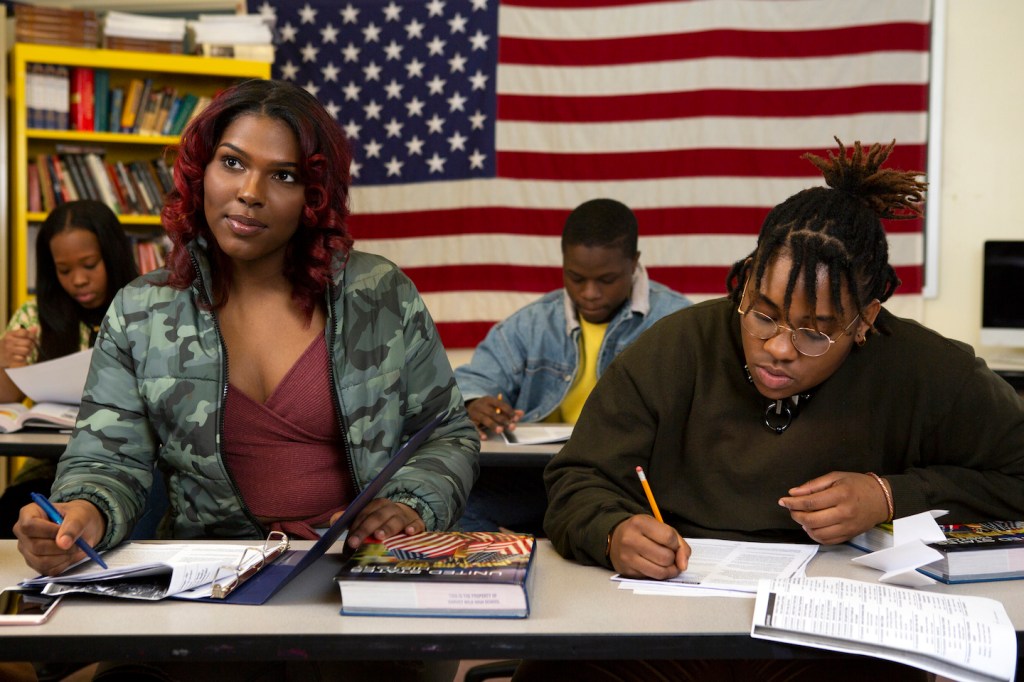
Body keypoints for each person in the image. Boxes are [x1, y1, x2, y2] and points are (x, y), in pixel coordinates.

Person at [14, 79, 477, 682]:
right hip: (207, 593)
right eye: (232, 163)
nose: (250, 193)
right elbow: (108, 459)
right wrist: (83, 512)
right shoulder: (141, 311)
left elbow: (447, 434)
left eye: (282, 176)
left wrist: (408, 506)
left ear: (313, 195)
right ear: (200, 171)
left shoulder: (377, 294)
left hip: (352, 589)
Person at [519, 139, 1024, 680]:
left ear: (865, 320)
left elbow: (1014, 475)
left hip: (835, 633)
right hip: (668, 618)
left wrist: (890, 495)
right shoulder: (675, 347)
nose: (780, 347)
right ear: (745, 281)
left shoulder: (928, 370)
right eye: (762, 314)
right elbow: (576, 479)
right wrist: (613, 531)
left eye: (815, 331)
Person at [453, 198, 691, 534]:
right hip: (540, 480)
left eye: (606, 279)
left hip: (630, 484)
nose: (589, 293)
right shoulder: (531, 323)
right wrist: (473, 402)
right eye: (576, 278)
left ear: (634, 263)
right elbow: (471, 381)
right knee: (459, 506)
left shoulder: (676, 321)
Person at [0, 200, 139, 538]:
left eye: (90, 265)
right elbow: (7, 400)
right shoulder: (35, 316)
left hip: (131, 466)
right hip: (50, 466)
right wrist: (5, 363)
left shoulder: (145, 308)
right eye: (64, 271)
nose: (78, 280)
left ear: (113, 254)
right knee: (11, 518)